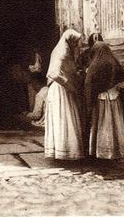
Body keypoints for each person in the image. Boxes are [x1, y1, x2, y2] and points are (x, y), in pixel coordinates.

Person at [84, 40, 124, 160]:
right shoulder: (115, 63)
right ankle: (116, 151)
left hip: (100, 102)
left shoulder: (94, 66)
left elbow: (89, 85)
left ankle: (101, 152)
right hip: (114, 101)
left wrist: (89, 104)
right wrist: (115, 86)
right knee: (114, 125)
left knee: (102, 126)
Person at [44, 29, 86, 160]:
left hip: (64, 89)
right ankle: (65, 152)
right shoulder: (61, 52)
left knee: (66, 119)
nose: (77, 45)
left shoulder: (67, 52)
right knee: (63, 118)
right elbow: (54, 73)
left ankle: (68, 151)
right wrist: (68, 84)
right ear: (70, 41)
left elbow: (68, 69)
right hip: (59, 90)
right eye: (76, 42)